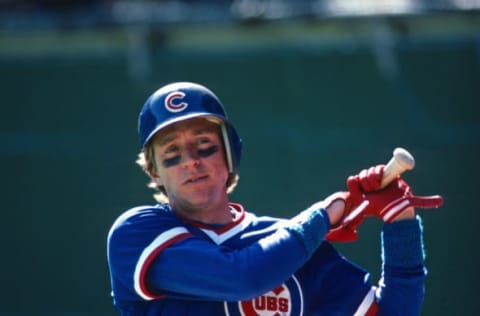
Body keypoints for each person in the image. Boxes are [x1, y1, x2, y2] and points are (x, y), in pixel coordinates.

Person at [107, 82, 443, 315]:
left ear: (229, 153)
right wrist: (321, 218)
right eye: (172, 153)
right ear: (153, 171)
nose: (192, 161)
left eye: (204, 145)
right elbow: (242, 278)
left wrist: (401, 226)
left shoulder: (292, 247)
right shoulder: (137, 234)